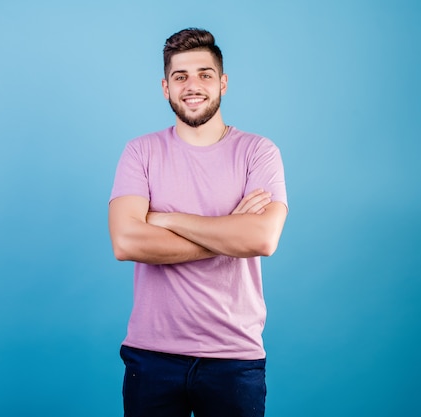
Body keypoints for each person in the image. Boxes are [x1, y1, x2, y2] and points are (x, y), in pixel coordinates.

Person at [108, 27, 288, 417]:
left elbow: (262, 238)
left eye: (205, 74)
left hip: (234, 358)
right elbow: (126, 242)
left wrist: (166, 219)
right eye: (181, 76)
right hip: (151, 357)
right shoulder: (141, 152)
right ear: (165, 87)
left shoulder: (258, 152)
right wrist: (227, 231)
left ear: (222, 82)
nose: (193, 85)